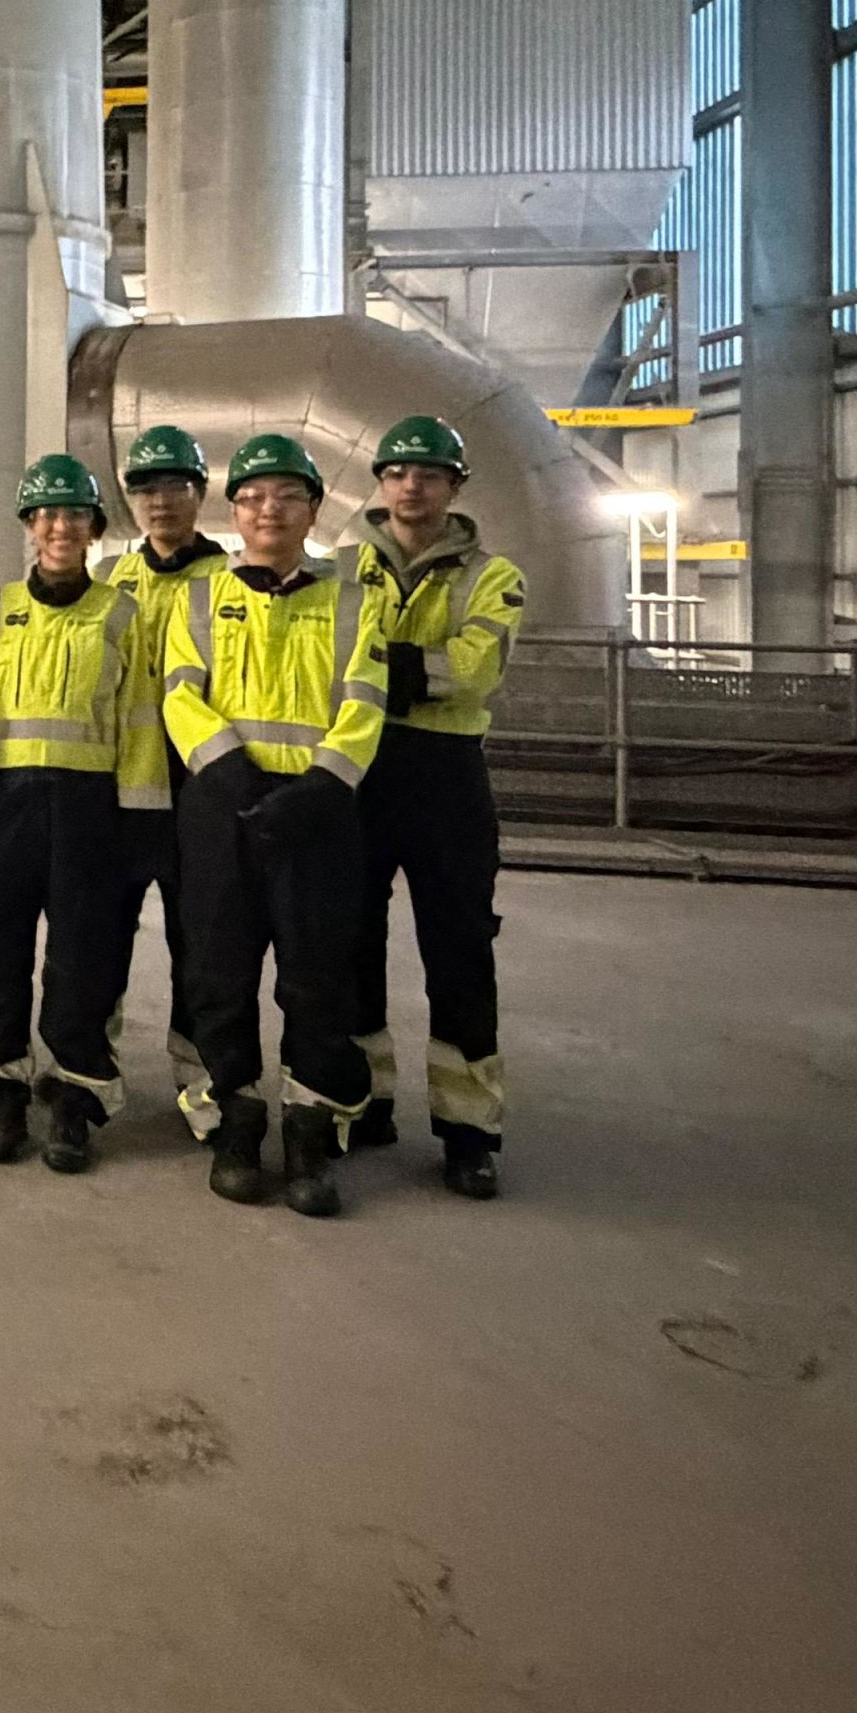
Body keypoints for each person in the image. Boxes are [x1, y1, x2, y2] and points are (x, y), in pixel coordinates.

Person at [161, 431, 398, 1216]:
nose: (270, 509)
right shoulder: (199, 598)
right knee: (218, 970)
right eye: (254, 497)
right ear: (235, 511)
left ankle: (309, 1127)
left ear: (314, 509)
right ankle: (235, 1117)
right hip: (222, 808)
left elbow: (366, 702)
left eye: (288, 496)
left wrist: (323, 785)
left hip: (319, 815)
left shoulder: (355, 602)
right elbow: (180, 693)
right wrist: (229, 769)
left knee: (317, 975)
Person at [0, 456, 166, 1175]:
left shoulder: (121, 615)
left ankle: (76, 1096)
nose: (59, 527)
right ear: (28, 524)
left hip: (87, 810)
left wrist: (139, 817)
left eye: (74, 515)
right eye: (46, 514)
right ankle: (2, 1088)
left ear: (94, 528)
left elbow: (140, 719)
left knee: (81, 960)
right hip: (2, 806)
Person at [348, 414, 526, 1199]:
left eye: (428, 473)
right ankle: (362, 1102)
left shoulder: (494, 576)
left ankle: (468, 1133)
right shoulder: (343, 567)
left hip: (446, 778)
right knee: (349, 943)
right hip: (357, 768)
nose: (411, 485)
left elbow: (474, 671)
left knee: (459, 954)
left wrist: (369, 668)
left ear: (455, 486)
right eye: (397, 472)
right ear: (380, 484)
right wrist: (414, 668)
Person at [98, 421, 226, 1086]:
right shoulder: (108, 578)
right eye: (145, 488)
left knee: (200, 946)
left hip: (200, 793)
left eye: (174, 485)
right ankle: (89, 1071)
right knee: (99, 940)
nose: (159, 501)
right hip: (120, 792)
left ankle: (198, 1082)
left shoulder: (231, 583)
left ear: (200, 493)